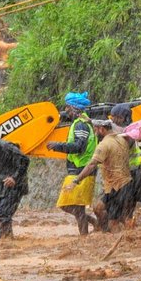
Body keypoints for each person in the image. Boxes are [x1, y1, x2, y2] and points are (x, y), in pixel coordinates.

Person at [67, 119, 136, 231]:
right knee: (99, 207)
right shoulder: (122, 140)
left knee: (114, 221)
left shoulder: (104, 145)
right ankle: (105, 231)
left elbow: (92, 164)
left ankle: (117, 237)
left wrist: (76, 180)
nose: (95, 133)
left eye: (96, 130)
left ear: (102, 129)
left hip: (116, 186)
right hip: (125, 183)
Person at [47, 91, 97, 235]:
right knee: (74, 205)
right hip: (78, 168)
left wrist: (58, 146)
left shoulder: (81, 125)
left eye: (68, 108)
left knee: (70, 204)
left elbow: (78, 146)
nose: (66, 111)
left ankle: (89, 230)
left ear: (74, 108)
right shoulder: (81, 121)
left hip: (82, 169)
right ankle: (88, 230)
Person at [110, 103, 141, 210]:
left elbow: (125, 144)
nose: (112, 119)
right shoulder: (124, 129)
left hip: (131, 176)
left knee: (125, 211)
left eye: (114, 117)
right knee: (122, 211)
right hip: (129, 175)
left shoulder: (131, 131)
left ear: (121, 118)